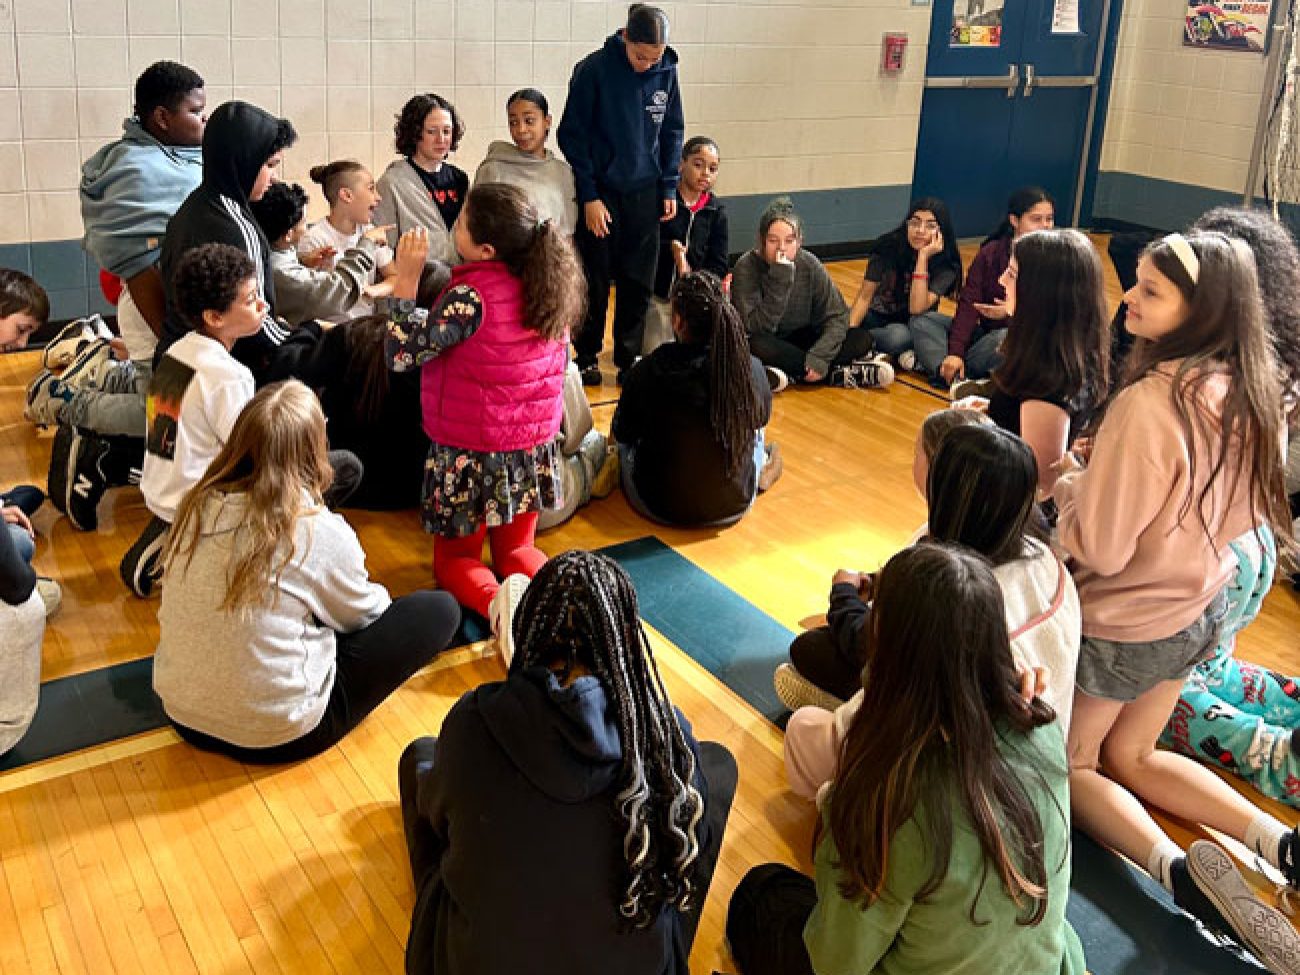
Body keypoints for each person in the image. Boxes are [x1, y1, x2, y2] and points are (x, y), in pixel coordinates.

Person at [1054, 231, 1300, 973]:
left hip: (1124, 622)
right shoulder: (1251, 390)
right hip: (1200, 609)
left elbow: (1101, 550)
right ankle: (1278, 842)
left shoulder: (1149, 403)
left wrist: (1071, 486)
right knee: (1136, 754)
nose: (1128, 297)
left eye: (1150, 290)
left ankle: (1177, 872)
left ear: (1200, 310)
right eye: (1135, 281)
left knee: (1076, 764)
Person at [728, 543, 1086, 975]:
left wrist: (838, 819)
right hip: (1050, 965)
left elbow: (836, 964)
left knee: (760, 896)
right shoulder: (1043, 728)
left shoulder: (886, 793)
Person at [398, 549, 737, 975]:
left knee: (420, 757)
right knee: (712, 770)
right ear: (626, 641)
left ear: (527, 632)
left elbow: (437, 820)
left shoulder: (472, 723)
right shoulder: (664, 734)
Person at [153, 380, 460, 763]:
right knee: (440, 610)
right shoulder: (315, 531)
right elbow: (365, 615)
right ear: (316, 445)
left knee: (347, 471)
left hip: (181, 712)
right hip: (279, 733)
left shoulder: (194, 505)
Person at [779, 422, 1081, 805]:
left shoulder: (954, 596)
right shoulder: (1046, 561)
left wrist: (843, 595)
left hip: (959, 779)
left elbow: (881, 656)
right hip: (1037, 763)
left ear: (946, 489)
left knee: (806, 697)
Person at [384, 183, 583, 660]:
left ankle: (499, 607)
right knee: (518, 551)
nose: (454, 227)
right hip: (531, 449)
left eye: (460, 223)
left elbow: (401, 353)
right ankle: (567, 609)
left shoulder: (468, 297)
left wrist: (405, 285)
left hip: (469, 454)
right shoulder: (549, 286)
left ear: (486, 249)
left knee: (456, 559)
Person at [1155, 207, 1300, 807]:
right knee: (1215, 668)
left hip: (1215, 553)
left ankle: (1278, 757)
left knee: (1166, 699)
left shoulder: (1200, 377)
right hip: (1255, 543)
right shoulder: (1274, 368)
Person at [121, 244, 361, 598]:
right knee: (343, 467)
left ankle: (172, 535)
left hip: (162, 491)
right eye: (250, 300)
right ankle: (247, 553)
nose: (263, 305)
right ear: (214, 317)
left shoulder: (175, 352)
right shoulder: (227, 376)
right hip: (202, 507)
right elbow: (254, 457)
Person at [559, 4, 684, 385]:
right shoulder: (594, 70)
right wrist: (590, 195)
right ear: (625, 38)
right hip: (602, 192)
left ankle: (629, 356)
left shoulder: (666, 71)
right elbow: (572, 135)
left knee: (638, 280)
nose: (646, 65)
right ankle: (586, 354)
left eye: (654, 58)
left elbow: (672, 130)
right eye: (640, 56)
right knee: (595, 278)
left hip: (645, 190)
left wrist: (668, 184)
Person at [612, 270, 777, 526]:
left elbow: (623, 433)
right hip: (734, 503)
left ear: (678, 321)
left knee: (621, 447)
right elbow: (760, 419)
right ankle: (762, 466)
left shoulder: (649, 369)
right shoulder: (748, 367)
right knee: (755, 433)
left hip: (660, 505)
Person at [155, 100, 300, 378]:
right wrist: (313, 336)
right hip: (216, 370)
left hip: (173, 363)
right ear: (243, 163)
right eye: (270, 165)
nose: (274, 178)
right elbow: (258, 325)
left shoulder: (192, 207)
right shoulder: (235, 225)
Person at [80, 60, 207, 362]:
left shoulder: (190, 155)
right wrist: (171, 340)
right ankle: (80, 389)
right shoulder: (134, 169)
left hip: (193, 305)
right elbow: (135, 262)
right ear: (162, 117)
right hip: (152, 310)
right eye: (195, 111)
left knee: (192, 386)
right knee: (163, 388)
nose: (205, 118)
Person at [972, 227, 1109, 497]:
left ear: (1040, 293)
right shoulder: (1071, 352)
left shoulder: (1047, 381)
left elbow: (1041, 486)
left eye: (1012, 274)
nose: (1001, 280)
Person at [732, 197, 893, 391]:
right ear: (762, 241)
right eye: (773, 240)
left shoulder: (809, 264)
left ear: (799, 242)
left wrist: (820, 356)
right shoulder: (746, 267)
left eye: (789, 241)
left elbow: (837, 315)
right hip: (772, 339)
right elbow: (753, 327)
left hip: (805, 338)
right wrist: (780, 280)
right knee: (756, 346)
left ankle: (796, 373)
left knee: (861, 338)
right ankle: (839, 374)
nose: (781, 248)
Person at [919, 186, 1055, 394]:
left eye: (1049, 219)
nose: (1045, 226)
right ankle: (948, 371)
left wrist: (1011, 312)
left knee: (1008, 338)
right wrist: (955, 352)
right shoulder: (991, 253)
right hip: (985, 339)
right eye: (1036, 219)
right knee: (924, 321)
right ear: (1014, 220)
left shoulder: (1057, 259)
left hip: (1025, 342)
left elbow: (1054, 320)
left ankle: (960, 373)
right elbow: (968, 305)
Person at [845, 197, 962, 369]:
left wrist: (923, 258)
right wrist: (849, 332)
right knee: (839, 317)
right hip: (875, 316)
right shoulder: (887, 247)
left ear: (941, 232)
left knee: (899, 338)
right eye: (915, 222)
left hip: (909, 326)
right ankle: (864, 346)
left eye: (930, 226)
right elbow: (864, 297)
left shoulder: (946, 266)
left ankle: (868, 347)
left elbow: (916, 308)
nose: (920, 230)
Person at [250, 181, 386, 328]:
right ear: (288, 235)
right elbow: (335, 291)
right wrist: (366, 245)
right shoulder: (280, 269)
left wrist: (302, 262)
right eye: (304, 222)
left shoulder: (277, 248)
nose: (306, 228)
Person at [641, 135, 729, 354]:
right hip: (661, 298)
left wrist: (695, 280)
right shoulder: (664, 201)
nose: (705, 173)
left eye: (712, 169)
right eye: (698, 165)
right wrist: (673, 252)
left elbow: (719, 264)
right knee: (657, 355)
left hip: (695, 303)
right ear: (681, 164)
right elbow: (645, 246)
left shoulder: (716, 212)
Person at [374, 93, 467, 271]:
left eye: (446, 131)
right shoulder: (392, 182)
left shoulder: (460, 178)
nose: (441, 139)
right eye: (431, 131)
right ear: (415, 133)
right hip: (416, 279)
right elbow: (383, 246)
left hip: (458, 276)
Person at [297, 160, 396, 322]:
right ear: (346, 195)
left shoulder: (369, 232)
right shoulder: (314, 238)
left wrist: (374, 290)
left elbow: (394, 277)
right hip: (330, 330)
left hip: (364, 327)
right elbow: (307, 298)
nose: (378, 197)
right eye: (371, 188)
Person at [473, 88, 578, 235]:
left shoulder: (563, 172)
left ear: (547, 122)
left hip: (555, 249)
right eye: (513, 122)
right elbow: (477, 224)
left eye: (529, 121)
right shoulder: (493, 169)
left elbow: (569, 230)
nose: (521, 129)